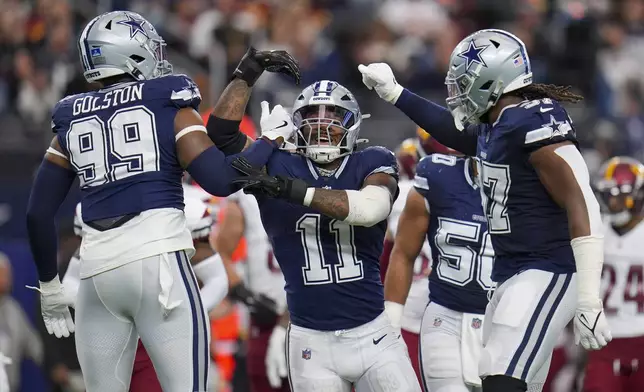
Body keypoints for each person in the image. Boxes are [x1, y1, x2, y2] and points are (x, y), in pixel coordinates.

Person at [24, 10, 299, 392]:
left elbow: (37, 214)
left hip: (96, 275)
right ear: (129, 53)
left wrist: (50, 287)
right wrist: (269, 140)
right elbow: (220, 180)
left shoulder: (70, 118)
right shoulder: (167, 102)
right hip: (159, 265)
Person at [358, 28, 611, 392]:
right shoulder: (499, 125)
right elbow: (456, 133)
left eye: (465, 81)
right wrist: (395, 93)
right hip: (510, 272)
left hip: (547, 269)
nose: (458, 91)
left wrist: (589, 296)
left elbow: (581, 199)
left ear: (493, 79)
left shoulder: (533, 120)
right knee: (505, 380)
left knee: (499, 381)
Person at [206, 68, 421, 390]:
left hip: (373, 332)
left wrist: (292, 191)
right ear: (296, 123)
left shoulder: (372, 160)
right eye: (311, 117)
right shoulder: (278, 163)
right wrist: (245, 76)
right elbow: (221, 135)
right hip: (310, 340)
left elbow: (369, 209)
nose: (322, 126)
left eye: (333, 118)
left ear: (352, 123)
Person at [385, 148, 494, 391]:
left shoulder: (537, 184)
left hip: (509, 322)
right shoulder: (438, 176)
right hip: (446, 315)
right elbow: (402, 252)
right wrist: (392, 322)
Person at [583, 156, 644, 392]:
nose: (613, 202)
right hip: (604, 340)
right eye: (609, 194)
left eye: (620, 194)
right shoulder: (594, 230)